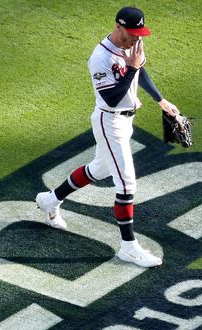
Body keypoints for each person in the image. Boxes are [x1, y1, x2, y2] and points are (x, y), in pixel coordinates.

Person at [36, 6, 181, 268]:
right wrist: (132, 69)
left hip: (127, 121)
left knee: (99, 169)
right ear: (118, 27)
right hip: (109, 121)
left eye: (140, 33)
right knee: (127, 185)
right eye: (133, 33)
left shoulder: (134, 45)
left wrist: (161, 100)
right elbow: (111, 98)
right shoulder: (99, 57)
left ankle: (50, 199)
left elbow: (142, 70)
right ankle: (129, 247)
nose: (138, 38)